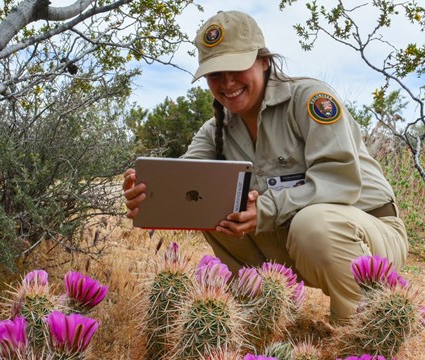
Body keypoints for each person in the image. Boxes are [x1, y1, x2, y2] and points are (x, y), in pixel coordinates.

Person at [122, 10, 408, 322]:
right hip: (297, 238)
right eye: (216, 73)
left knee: (313, 225)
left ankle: (359, 335)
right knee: (215, 210)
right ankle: (258, 320)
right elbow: (187, 182)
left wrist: (268, 209)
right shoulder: (215, 129)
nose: (227, 82)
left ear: (264, 61)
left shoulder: (310, 100)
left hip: (367, 236)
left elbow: (339, 182)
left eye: (237, 67)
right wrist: (151, 196)